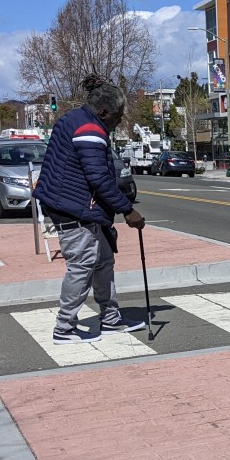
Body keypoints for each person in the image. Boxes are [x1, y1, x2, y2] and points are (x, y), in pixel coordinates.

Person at [34, 73, 147, 343]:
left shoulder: (75, 118)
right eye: (118, 116)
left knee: (103, 262)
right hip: (74, 209)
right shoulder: (90, 131)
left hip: (80, 206)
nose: (119, 122)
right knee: (82, 265)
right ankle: (64, 328)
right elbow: (99, 178)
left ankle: (110, 319)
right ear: (104, 111)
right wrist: (127, 209)